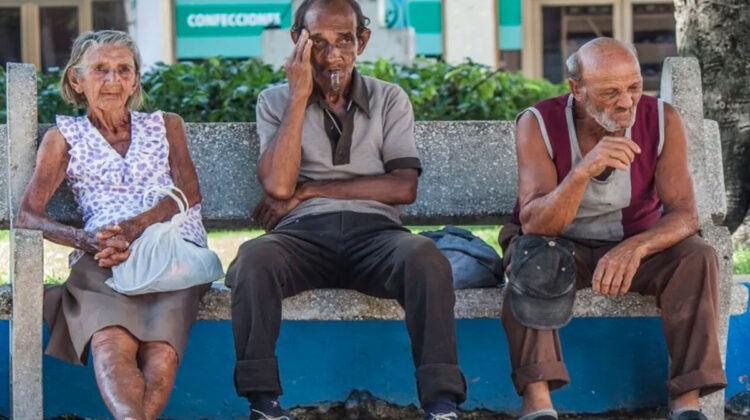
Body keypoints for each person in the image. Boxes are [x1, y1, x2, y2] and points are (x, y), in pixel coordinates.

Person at [225, 1, 466, 419]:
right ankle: (263, 403)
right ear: (297, 41)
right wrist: (299, 97)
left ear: (363, 41)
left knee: (425, 257)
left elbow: (403, 186)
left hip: (376, 236)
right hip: (301, 237)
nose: (332, 54)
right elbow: (279, 185)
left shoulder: (389, 98)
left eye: (344, 41)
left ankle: (441, 404)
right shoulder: (274, 100)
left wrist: (310, 189)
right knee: (253, 259)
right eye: (316, 41)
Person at [499, 37, 727, 420]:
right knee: (532, 259)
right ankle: (538, 406)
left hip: (634, 245)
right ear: (577, 90)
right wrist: (581, 172)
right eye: (609, 92)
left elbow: (685, 213)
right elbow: (535, 223)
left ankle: (688, 403)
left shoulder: (662, 119)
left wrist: (636, 247)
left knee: (698, 256)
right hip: (558, 243)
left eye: (634, 87)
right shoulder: (537, 122)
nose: (625, 102)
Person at [16, 30, 211, 420]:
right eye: (100, 69)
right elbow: (28, 215)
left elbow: (189, 191)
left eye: (124, 70)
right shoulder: (63, 137)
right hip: (103, 256)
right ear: (77, 79)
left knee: (161, 350)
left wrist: (137, 227)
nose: (112, 80)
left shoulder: (166, 125)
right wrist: (87, 241)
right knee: (109, 341)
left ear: (136, 80)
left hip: (172, 252)